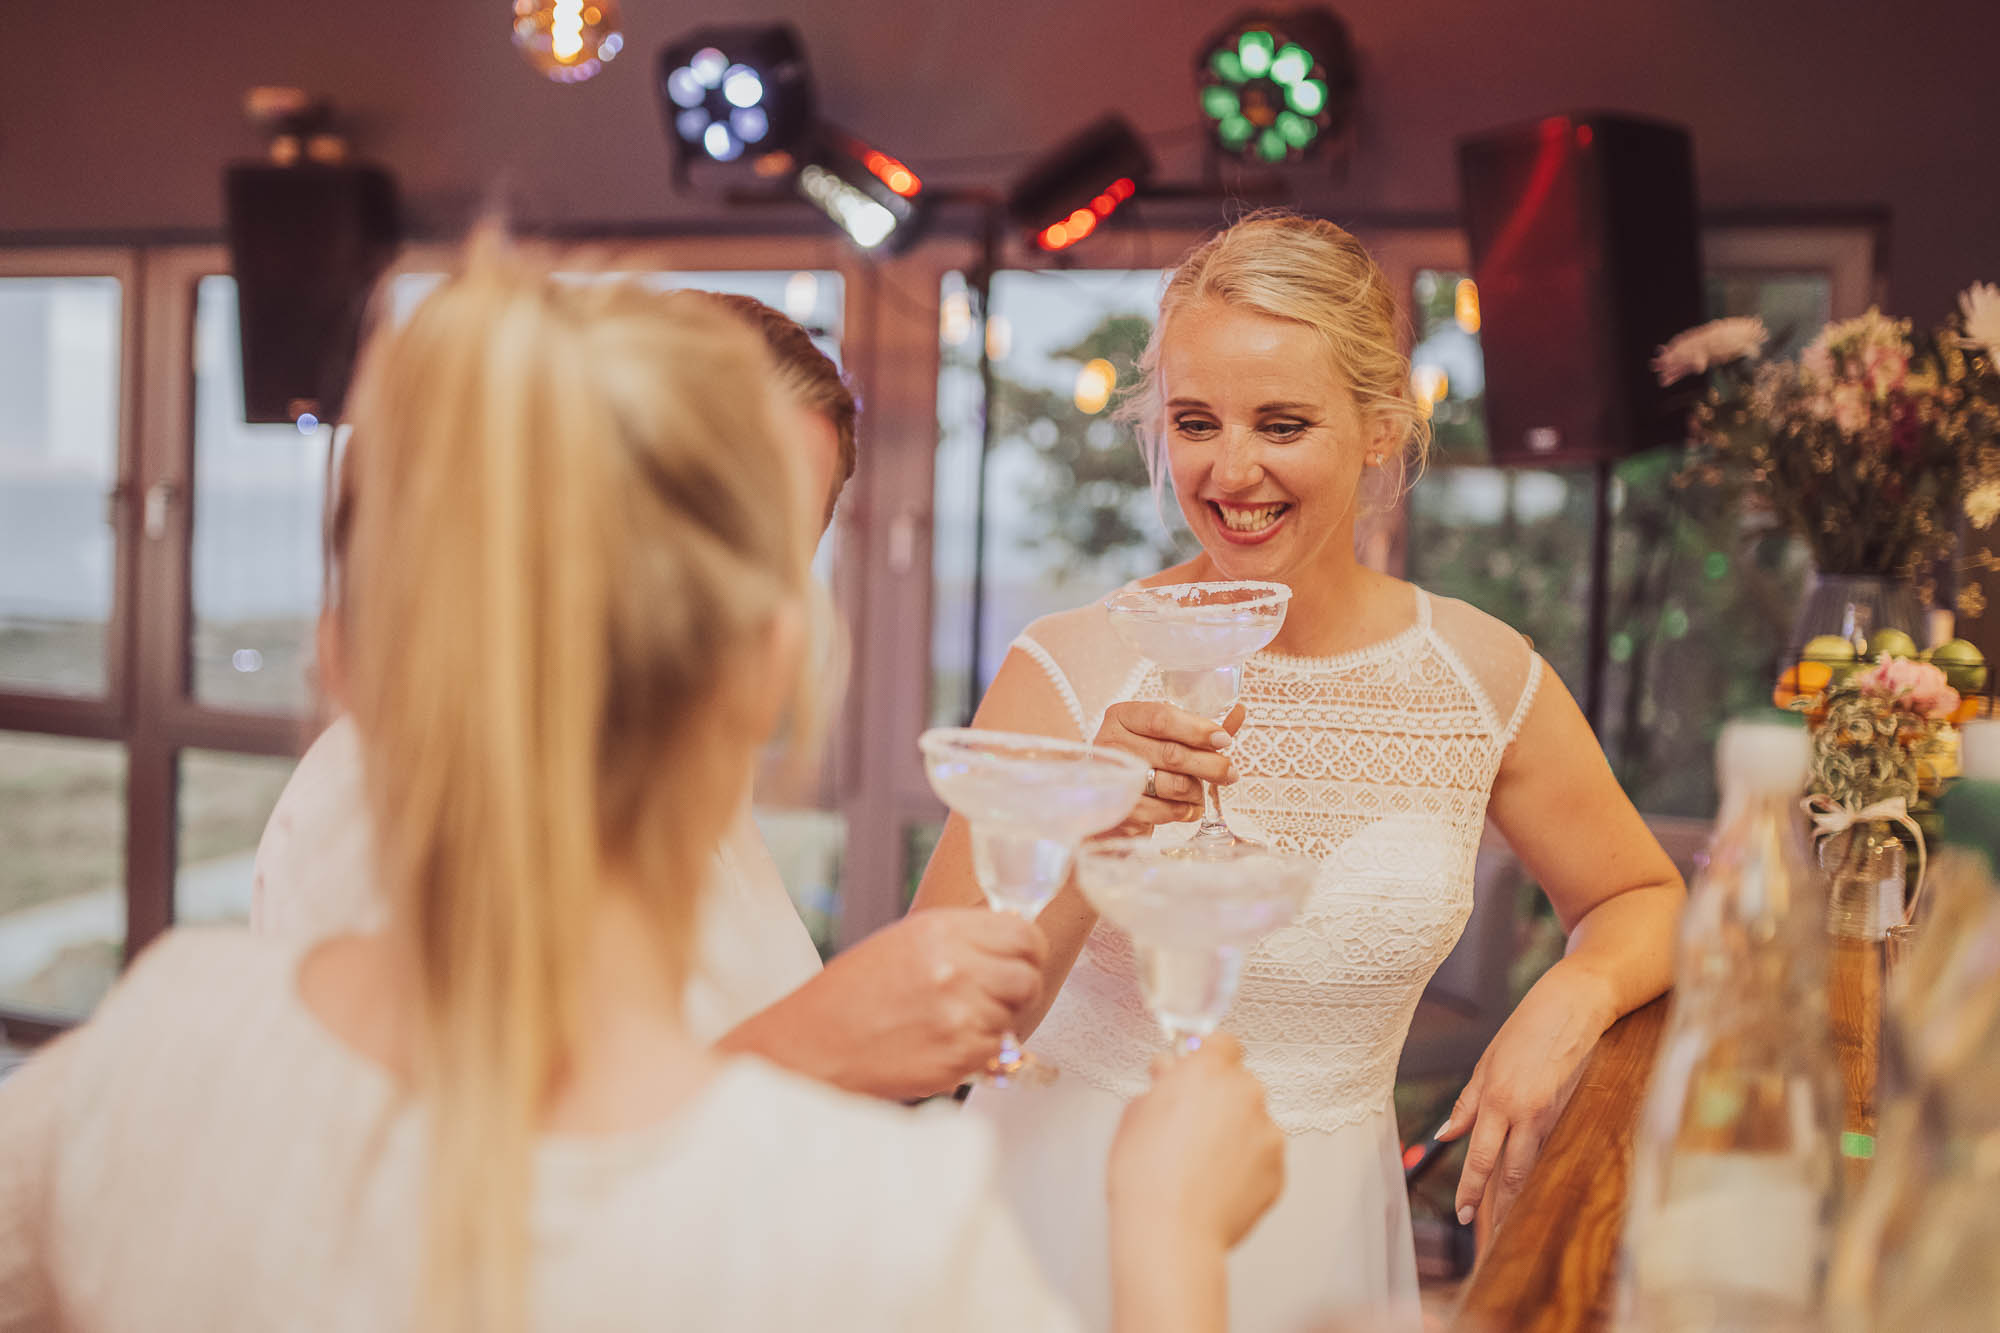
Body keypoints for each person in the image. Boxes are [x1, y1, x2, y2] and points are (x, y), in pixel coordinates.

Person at [0, 233, 1284, 1331]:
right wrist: (1165, 1236)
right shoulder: (901, 1243)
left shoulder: (152, 1044)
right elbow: (486, 1169)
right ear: (775, 652)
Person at [911, 210, 1686, 1329]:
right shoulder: (1067, 666)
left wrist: (1571, 995)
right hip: (1063, 1224)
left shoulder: (1477, 674)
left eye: (1281, 423)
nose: (1231, 471)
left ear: (1378, 428)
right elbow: (944, 1030)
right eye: (1193, 422)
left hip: (1325, 1235)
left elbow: (1641, 896)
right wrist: (1092, 832)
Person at [252, 287, 1030, 1100]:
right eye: (692, 516)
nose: (717, 584)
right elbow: (427, 1176)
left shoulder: (678, 783)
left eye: (770, 542)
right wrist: (815, 1047)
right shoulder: (388, 797)